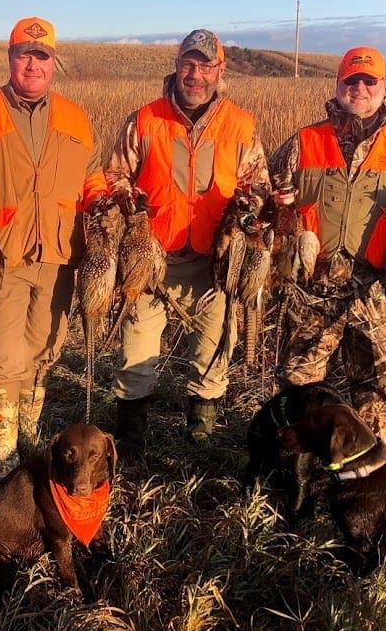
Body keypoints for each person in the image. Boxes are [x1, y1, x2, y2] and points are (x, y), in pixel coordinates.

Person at [0, 16, 108, 483]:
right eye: (23, 54)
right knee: (8, 359)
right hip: (1, 256)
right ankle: (4, 457)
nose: (32, 64)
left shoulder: (75, 118)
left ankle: (29, 436)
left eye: (42, 56)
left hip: (59, 254)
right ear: (9, 57)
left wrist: (104, 201)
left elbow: (91, 178)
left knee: (46, 351)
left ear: (54, 63)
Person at [268, 45, 386, 458]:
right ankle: (302, 465)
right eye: (353, 80)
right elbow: (266, 187)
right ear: (338, 84)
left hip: (379, 290)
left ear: (384, 86)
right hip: (314, 286)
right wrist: (279, 201)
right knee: (301, 383)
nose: (361, 88)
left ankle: (379, 470)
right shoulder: (305, 140)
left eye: (370, 81)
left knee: (382, 390)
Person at [106, 29, 271, 457]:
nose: (194, 75)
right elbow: (114, 175)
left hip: (216, 260)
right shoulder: (144, 119)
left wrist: (249, 203)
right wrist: (127, 198)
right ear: (177, 65)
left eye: (204, 65)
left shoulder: (241, 125)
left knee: (215, 345)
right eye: (187, 64)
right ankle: (130, 438)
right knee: (136, 346)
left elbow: (259, 184)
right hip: (152, 256)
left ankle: (201, 434)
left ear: (220, 69)